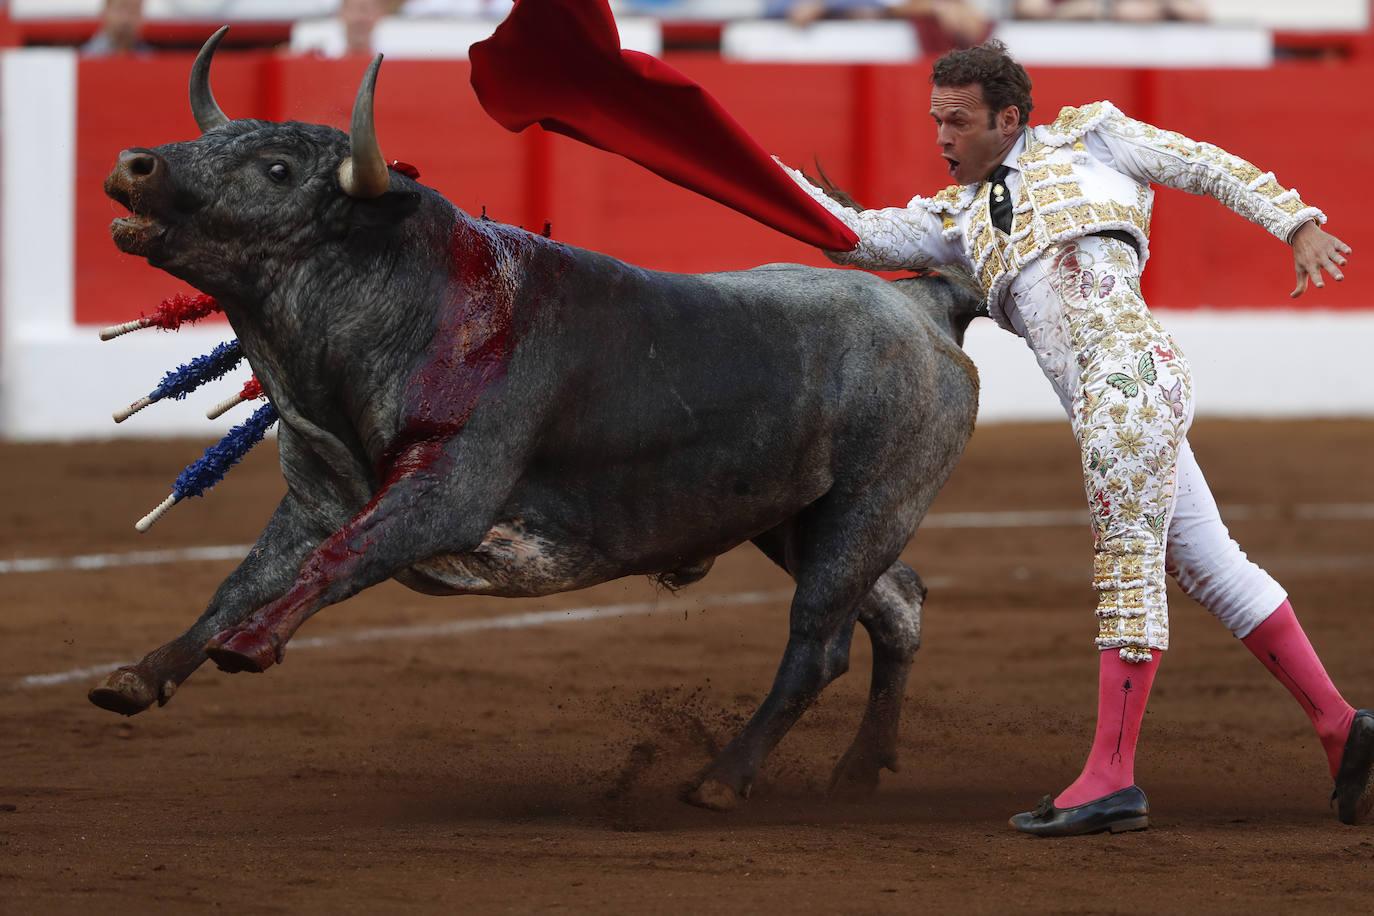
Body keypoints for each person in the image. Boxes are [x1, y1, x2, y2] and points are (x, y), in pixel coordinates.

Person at [777, 39, 1370, 836]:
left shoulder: (1093, 137)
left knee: (1129, 567)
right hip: (1108, 397)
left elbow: (1207, 164)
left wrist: (1295, 222)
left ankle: (1111, 779)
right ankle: (1341, 727)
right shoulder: (952, 219)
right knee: (1208, 560)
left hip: (1129, 382)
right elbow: (852, 237)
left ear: (1009, 118)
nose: (941, 138)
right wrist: (751, 175)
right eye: (935, 121)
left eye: (958, 122)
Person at [82, 0, 151, 56]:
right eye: (121, 8)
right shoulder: (87, 56)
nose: (126, 17)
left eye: (133, 10)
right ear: (106, 10)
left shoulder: (148, 57)